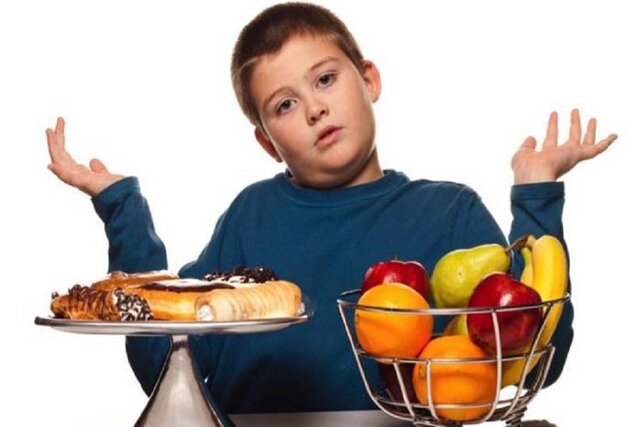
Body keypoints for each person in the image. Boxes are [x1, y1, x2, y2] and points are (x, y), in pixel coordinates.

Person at [45, 1, 616, 417]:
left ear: (369, 79)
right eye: (285, 105)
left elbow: (534, 355)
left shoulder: (449, 213)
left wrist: (535, 194)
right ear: (267, 142)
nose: (315, 109)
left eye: (325, 79)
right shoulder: (250, 216)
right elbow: (165, 369)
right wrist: (124, 212)